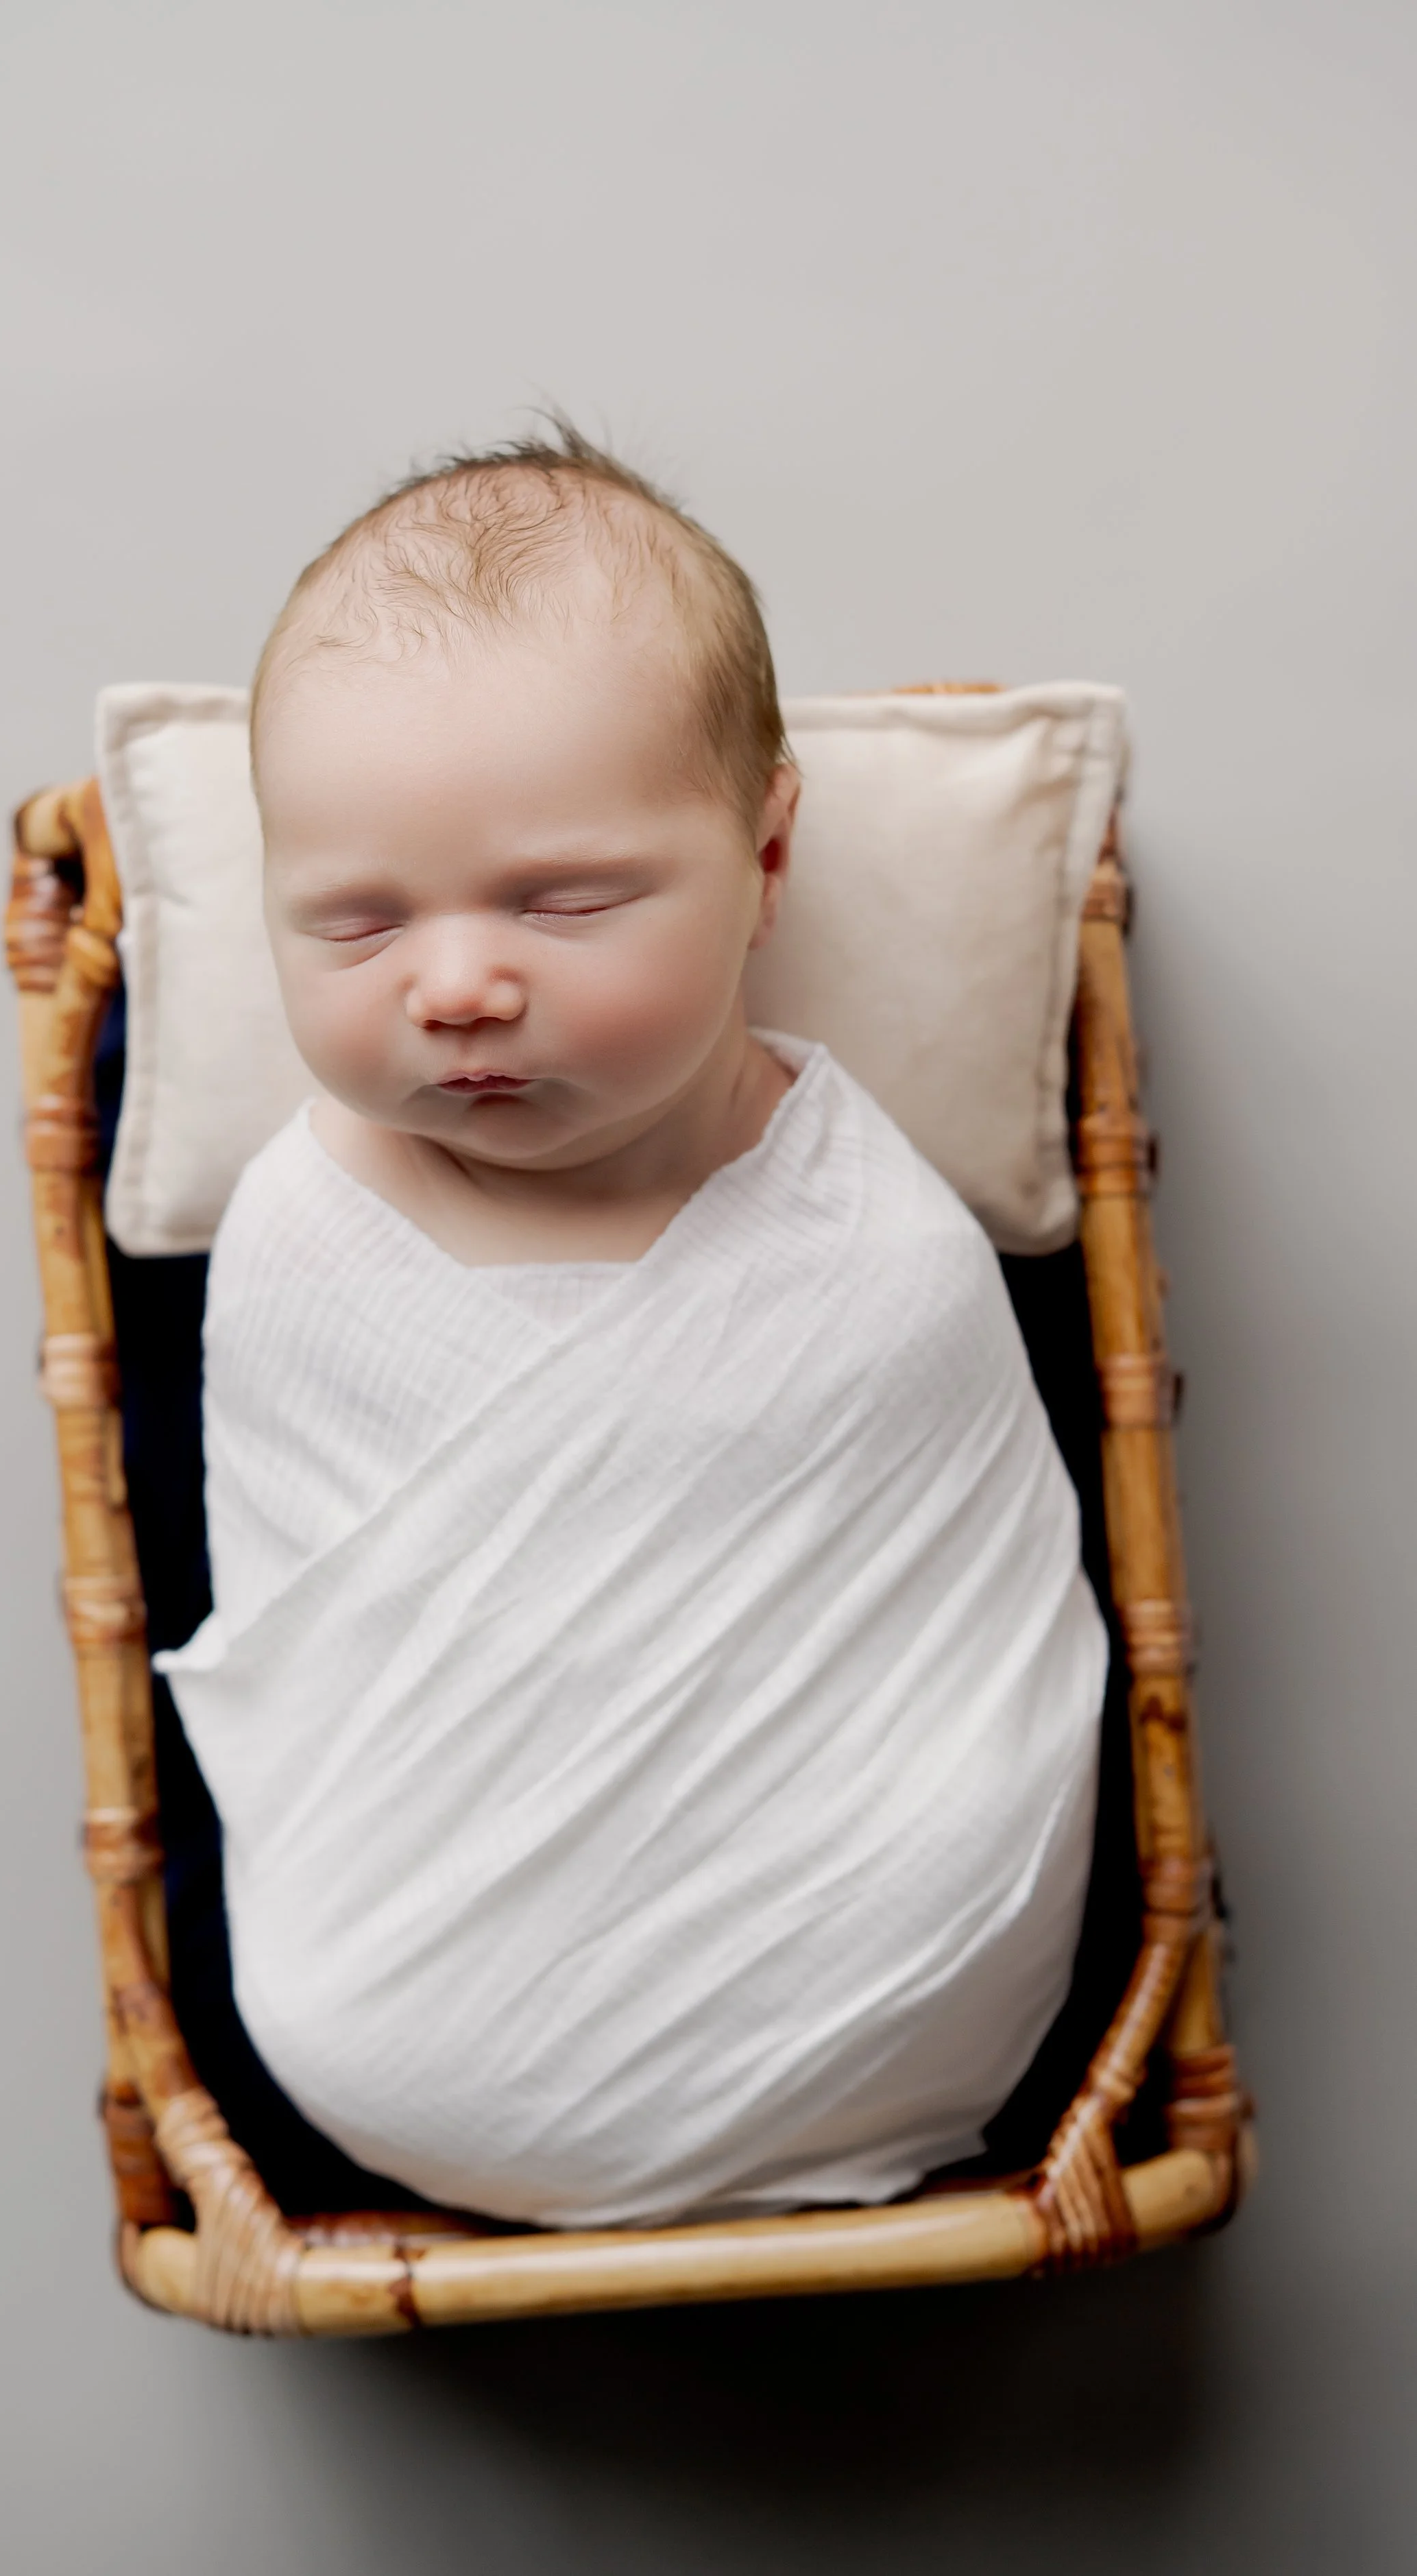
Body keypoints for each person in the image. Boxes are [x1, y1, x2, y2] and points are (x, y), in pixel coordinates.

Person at [158, 426, 1106, 2229]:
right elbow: (342, 1668)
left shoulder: (874, 1248)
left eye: (565, 901)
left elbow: (952, 1656)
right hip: (399, 2031)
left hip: (901, 2021)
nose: (456, 985)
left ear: (767, 853)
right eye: (352, 924)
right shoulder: (298, 1236)